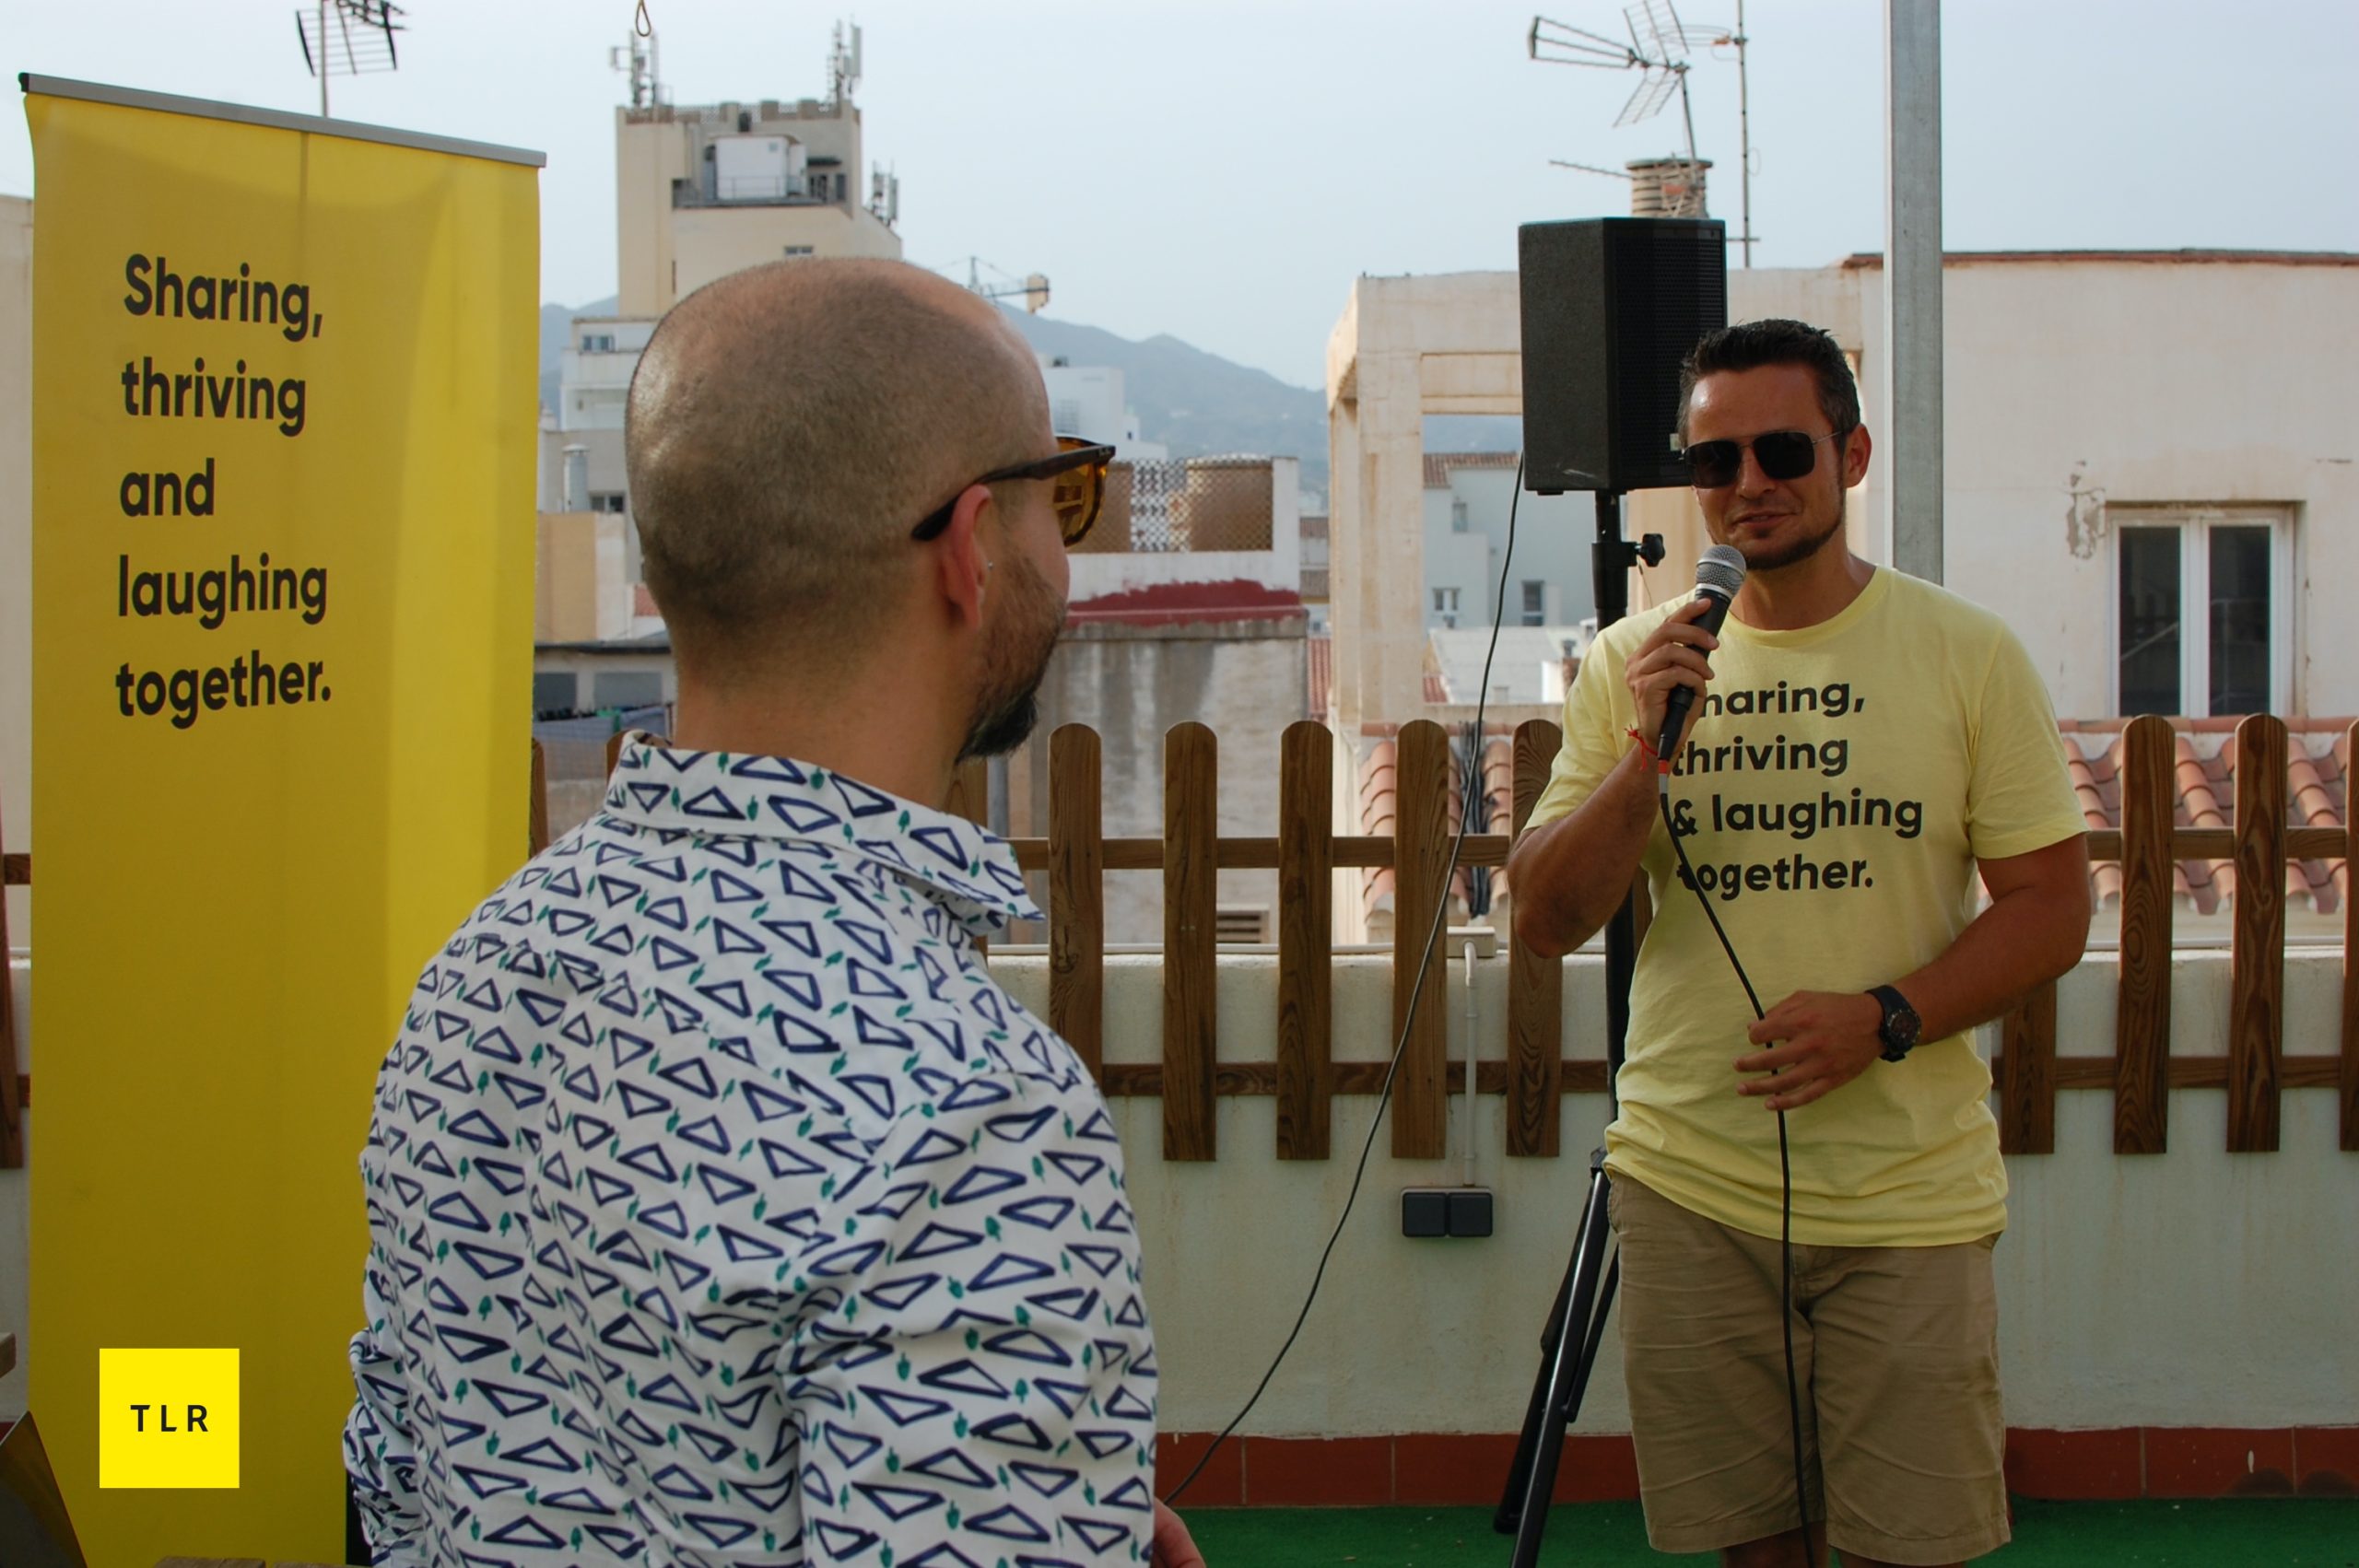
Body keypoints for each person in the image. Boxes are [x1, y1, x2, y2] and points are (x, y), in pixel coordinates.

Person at [345, 258, 1204, 1568]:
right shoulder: (969, 1117)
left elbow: (398, 1489)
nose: (1066, 545)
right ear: (972, 548)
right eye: (1061, 494)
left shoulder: (471, 982)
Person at [1508, 318, 2090, 1568]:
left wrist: (1885, 1015)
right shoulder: (1629, 664)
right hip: (1690, 1181)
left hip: (1909, 1199)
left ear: (1854, 455)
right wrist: (1645, 754)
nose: (1749, 483)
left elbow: (2053, 906)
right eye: (1716, 460)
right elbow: (1547, 919)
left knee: (1906, 1548)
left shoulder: (1967, 654)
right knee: (1754, 1549)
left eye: (1783, 448)